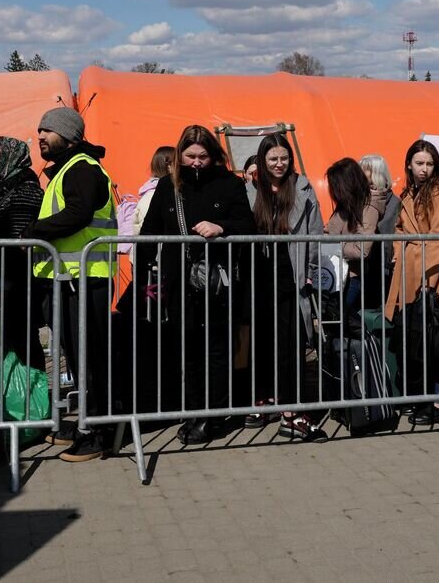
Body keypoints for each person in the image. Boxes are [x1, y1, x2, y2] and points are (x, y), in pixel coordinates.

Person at [138, 125, 255, 443]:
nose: (196, 162)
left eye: (203, 156)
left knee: (217, 351)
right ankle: (193, 412)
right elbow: (149, 232)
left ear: (214, 156)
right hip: (178, 282)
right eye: (190, 156)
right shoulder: (168, 186)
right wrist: (143, 277)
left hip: (217, 283)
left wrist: (221, 226)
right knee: (187, 352)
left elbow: (247, 224)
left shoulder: (230, 184)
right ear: (180, 155)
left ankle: (213, 417)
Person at [22, 107, 119, 462]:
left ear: (70, 135)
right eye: (39, 129)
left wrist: (33, 232)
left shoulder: (82, 168)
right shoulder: (67, 169)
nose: (40, 136)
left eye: (47, 130)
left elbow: (78, 215)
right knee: (78, 360)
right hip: (68, 279)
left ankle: (99, 431)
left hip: (84, 279)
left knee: (90, 359)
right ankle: (84, 423)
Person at [244, 133, 325, 440]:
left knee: (291, 343)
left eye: (284, 158)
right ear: (262, 162)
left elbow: (316, 232)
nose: (279, 164)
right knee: (260, 340)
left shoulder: (302, 188)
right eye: (273, 159)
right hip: (258, 274)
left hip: (291, 274)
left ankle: (291, 410)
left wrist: (311, 269)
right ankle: (261, 399)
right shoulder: (251, 190)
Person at [385, 140, 439, 425]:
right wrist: (398, 254)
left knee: (438, 336)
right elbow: (397, 230)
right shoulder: (407, 192)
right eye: (419, 163)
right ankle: (422, 399)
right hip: (410, 268)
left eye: (429, 164)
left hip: (436, 270)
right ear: (409, 164)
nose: (424, 169)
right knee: (417, 338)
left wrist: (427, 282)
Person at [0, 136, 44, 364]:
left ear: (8, 159)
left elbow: (21, 240)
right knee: (2, 343)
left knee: (23, 340)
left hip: (14, 284)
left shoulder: (25, 189)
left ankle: (32, 396)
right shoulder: (0, 188)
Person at [324, 158, 379, 313]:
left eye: (336, 186)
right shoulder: (346, 205)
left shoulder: (368, 207)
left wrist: (331, 244)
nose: (333, 191)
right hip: (335, 274)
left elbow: (361, 249)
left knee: (340, 322)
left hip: (351, 277)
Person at [358, 153, 401, 298]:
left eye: (366, 169)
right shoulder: (357, 198)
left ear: (377, 173)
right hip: (359, 264)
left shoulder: (394, 202)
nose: (361, 174)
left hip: (382, 266)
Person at [131, 146, 175, 236]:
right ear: (169, 166)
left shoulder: (164, 191)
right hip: (155, 248)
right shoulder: (153, 194)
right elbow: (149, 229)